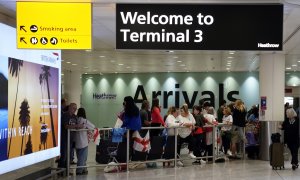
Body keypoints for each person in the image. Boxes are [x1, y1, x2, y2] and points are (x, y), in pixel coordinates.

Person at [58, 103, 80, 169]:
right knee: (64, 155)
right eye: (74, 108)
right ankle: (60, 170)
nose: (75, 110)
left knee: (70, 156)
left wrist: (79, 126)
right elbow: (66, 126)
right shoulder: (65, 115)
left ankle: (66, 170)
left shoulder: (75, 117)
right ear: (70, 108)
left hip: (71, 139)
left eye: (76, 109)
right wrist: (76, 126)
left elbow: (76, 126)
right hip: (64, 139)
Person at [75, 107, 95, 175]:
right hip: (83, 142)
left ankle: (84, 169)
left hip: (76, 142)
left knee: (80, 156)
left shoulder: (76, 120)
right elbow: (93, 126)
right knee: (83, 157)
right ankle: (79, 170)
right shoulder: (84, 121)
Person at [280, 106, 299, 170]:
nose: (286, 114)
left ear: (291, 113)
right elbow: (283, 127)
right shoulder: (286, 121)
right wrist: (280, 127)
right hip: (289, 140)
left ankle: (294, 163)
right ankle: (295, 163)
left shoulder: (298, 120)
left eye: (287, 113)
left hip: (296, 139)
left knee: (295, 151)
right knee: (292, 151)